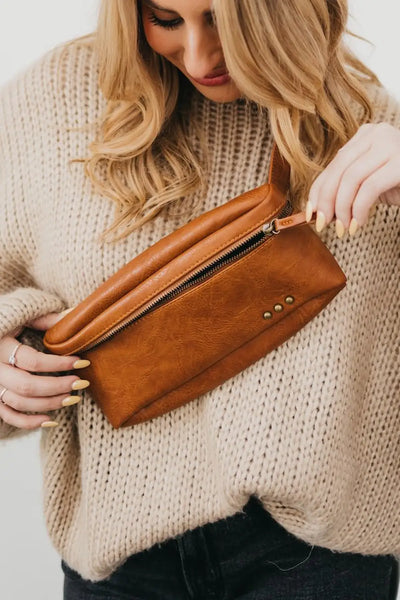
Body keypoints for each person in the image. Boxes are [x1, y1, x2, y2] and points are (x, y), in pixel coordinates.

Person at [0, 0, 399, 598]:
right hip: (119, 555)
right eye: (166, 20)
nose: (198, 55)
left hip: (317, 559)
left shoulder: (369, 133)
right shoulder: (53, 100)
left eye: (220, 19)